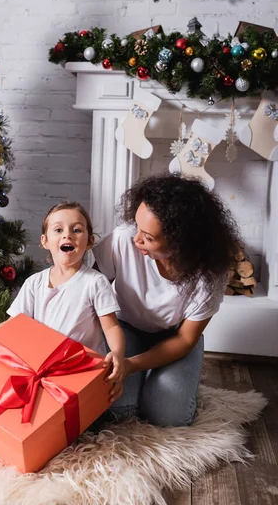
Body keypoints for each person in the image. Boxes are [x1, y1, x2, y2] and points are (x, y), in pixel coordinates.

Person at [92, 173, 243, 427]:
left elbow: (185, 338)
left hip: (175, 336)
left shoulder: (209, 275)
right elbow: (90, 295)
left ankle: (158, 374)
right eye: (137, 226)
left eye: (148, 238)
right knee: (115, 409)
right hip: (124, 328)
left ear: (181, 244)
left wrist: (130, 366)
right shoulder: (122, 240)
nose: (136, 239)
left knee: (169, 416)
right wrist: (117, 352)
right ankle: (146, 375)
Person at [0, 201, 126, 396]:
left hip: (79, 370)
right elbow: (14, 324)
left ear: (89, 241)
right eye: (58, 230)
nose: (67, 235)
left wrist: (117, 353)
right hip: (41, 368)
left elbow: (111, 326)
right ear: (45, 241)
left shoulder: (95, 282)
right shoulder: (34, 283)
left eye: (76, 230)